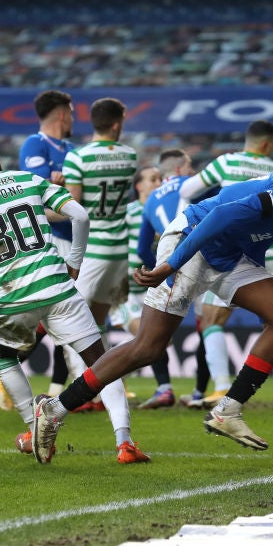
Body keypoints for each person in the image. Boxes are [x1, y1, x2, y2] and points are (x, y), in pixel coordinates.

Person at [32, 123, 273, 461]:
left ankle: (227, 412)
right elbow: (221, 213)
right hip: (193, 241)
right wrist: (171, 265)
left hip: (228, 254)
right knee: (148, 347)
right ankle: (55, 409)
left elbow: (257, 235)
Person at [0, 132, 149, 464]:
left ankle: (34, 430)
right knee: (101, 363)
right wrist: (75, 263)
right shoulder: (26, 180)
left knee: (6, 360)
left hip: (10, 297)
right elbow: (80, 215)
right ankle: (125, 443)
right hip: (56, 284)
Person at [178, 120, 273, 411]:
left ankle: (221, 387)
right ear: (267, 144)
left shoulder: (227, 163)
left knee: (213, 320)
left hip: (233, 253)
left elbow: (188, 188)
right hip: (269, 251)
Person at [14, 89, 79, 402]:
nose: (75, 118)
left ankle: (61, 389)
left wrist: (64, 189)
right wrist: (63, 190)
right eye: (73, 112)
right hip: (49, 240)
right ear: (63, 113)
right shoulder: (35, 144)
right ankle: (9, 369)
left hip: (73, 238)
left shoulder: (73, 149)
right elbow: (38, 201)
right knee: (64, 314)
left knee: (60, 317)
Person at [62, 97, 138, 350]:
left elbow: (73, 205)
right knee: (99, 320)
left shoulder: (77, 158)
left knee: (74, 322)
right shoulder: (129, 156)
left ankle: (82, 384)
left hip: (93, 249)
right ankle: (102, 383)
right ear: (117, 125)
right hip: (120, 250)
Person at [132, 149, 205, 408]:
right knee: (208, 326)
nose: (193, 170)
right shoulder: (192, 185)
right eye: (189, 165)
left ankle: (163, 387)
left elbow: (142, 248)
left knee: (152, 337)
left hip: (168, 271)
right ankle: (202, 391)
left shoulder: (150, 201)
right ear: (179, 169)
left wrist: (159, 269)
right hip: (201, 261)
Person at [105, 164, 175, 409]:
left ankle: (114, 381)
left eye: (159, 178)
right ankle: (107, 381)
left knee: (153, 340)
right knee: (146, 337)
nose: (158, 183)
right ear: (139, 186)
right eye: (153, 179)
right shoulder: (128, 212)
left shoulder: (164, 210)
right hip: (123, 293)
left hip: (150, 288)